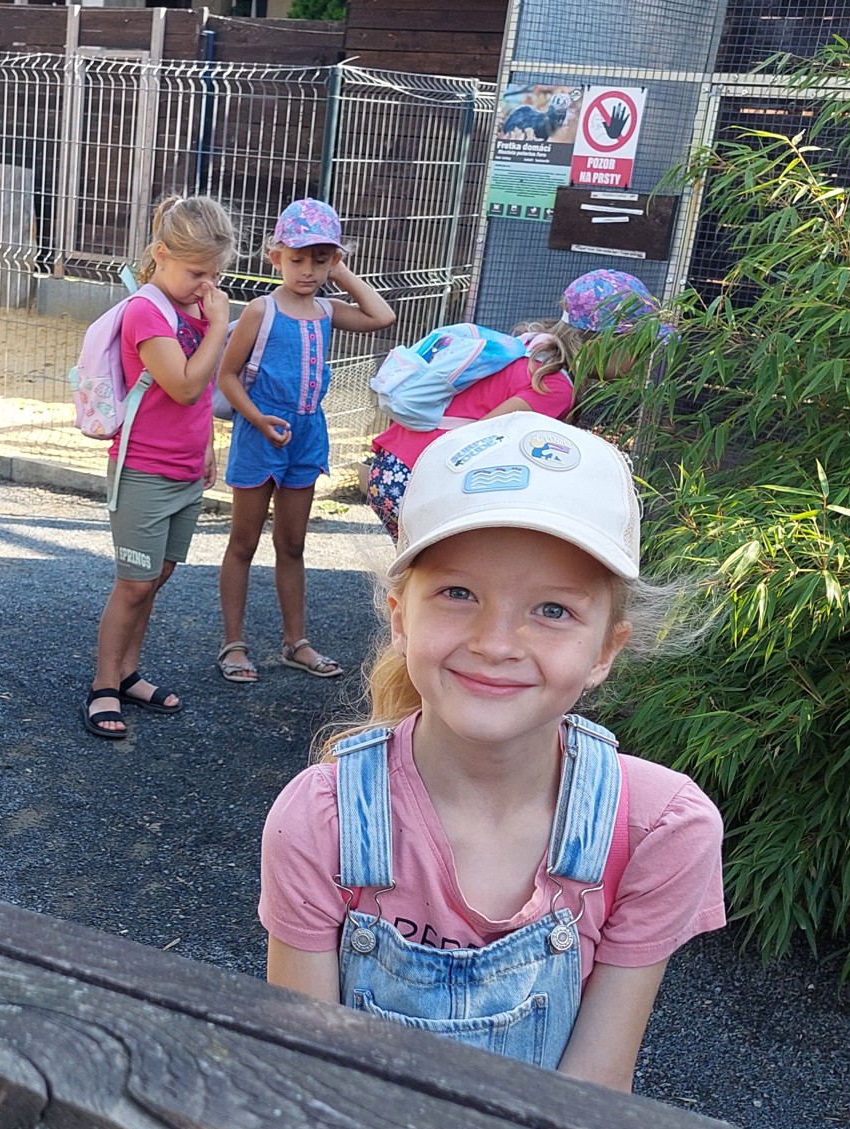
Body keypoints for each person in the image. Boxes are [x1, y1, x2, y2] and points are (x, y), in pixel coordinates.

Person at [257, 413, 724, 1090]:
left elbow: (595, 1089)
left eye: (553, 610)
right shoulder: (319, 821)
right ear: (400, 618)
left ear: (605, 650)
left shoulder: (659, 829)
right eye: (458, 593)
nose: (496, 643)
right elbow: (302, 1079)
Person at [214, 199, 397, 686]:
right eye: (297, 259)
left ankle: (296, 642)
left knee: (292, 543)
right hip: (259, 435)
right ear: (276, 257)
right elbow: (228, 376)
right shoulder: (261, 310)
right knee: (243, 542)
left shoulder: (327, 310)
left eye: (321, 260)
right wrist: (257, 418)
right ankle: (233, 642)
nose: (308, 270)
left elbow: (382, 316)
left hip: (307, 436)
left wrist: (343, 273)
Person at [85, 194, 238, 741]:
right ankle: (103, 684)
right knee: (134, 583)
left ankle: (128, 674)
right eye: (197, 273)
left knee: (158, 576)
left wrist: (207, 446)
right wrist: (219, 327)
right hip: (144, 472)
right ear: (161, 255)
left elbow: (196, 401)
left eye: (215, 274)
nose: (207, 285)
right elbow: (185, 385)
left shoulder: (193, 307)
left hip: (184, 470)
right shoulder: (147, 312)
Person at [365, 268, 665, 540]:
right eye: (640, 348)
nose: (643, 360)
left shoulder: (533, 349)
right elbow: (479, 441)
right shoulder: (554, 386)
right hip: (421, 479)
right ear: (604, 343)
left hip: (396, 466)